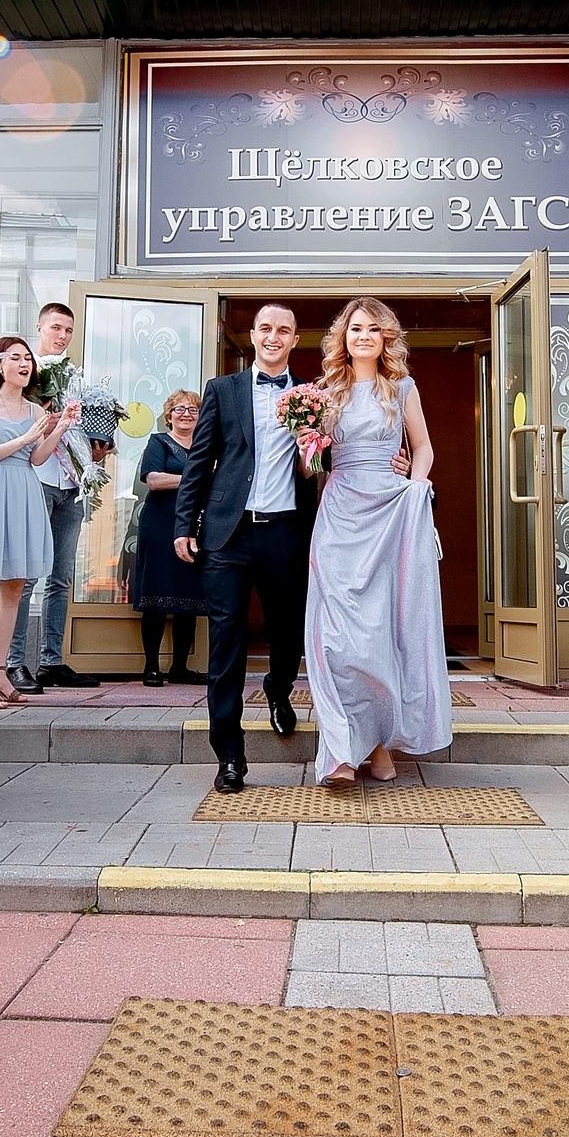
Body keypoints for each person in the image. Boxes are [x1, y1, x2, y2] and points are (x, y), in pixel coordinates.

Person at [301, 299, 452, 786]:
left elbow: (424, 446)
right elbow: (313, 468)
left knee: (380, 632)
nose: (362, 335)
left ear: (386, 337)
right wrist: (308, 446)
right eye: (354, 328)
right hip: (339, 512)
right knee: (335, 638)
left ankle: (382, 743)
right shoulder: (324, 393)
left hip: (389, 512)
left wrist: (416, 484)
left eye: (372, 329)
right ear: (342, 337)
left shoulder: (402, 387)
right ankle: (342, 749)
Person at [173, 303, 319, 795]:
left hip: (285, 533)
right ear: (252, 335)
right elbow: (199, 462)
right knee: (226, 646)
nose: (273, 336)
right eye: (265, 328)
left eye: (284, 330)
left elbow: (320, 467)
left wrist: (311, 453)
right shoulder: (223, 390)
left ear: (295, 339)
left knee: (287, 631)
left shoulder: (310, 396)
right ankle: (229, 756)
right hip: (227, 536)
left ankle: (279, 687)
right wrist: (184, 524)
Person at [0, 336, 68, 710]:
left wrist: (59, 427)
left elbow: (36, 458)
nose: (23, 363)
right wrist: (26, 436)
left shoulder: (37, 411)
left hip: (24, 490)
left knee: (15, 587)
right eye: (13, 357)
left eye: (27, 358)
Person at [8, 301, 105, 693]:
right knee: (26, 577)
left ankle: (51, 660)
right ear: (39, 328)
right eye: (55, 328)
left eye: (68, 329)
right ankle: (13, 662)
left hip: (72, 483)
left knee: (62, 576)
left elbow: (85, 426)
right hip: (38, 478)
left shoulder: (78, 377)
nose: (62, 336)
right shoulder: (27, 373)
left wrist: (98, 447)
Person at [130, 389, 208, 687]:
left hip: (195, 526)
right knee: (156, 596)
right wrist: (197, 477)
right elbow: (153, 479)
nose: (186, 414)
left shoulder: (206, 446)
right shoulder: (158, 442)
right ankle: (151, 667)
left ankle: (180, 667)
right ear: (169, 415)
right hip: (161, 525)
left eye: (193, 409)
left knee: (188, 596)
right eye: (179, 409)